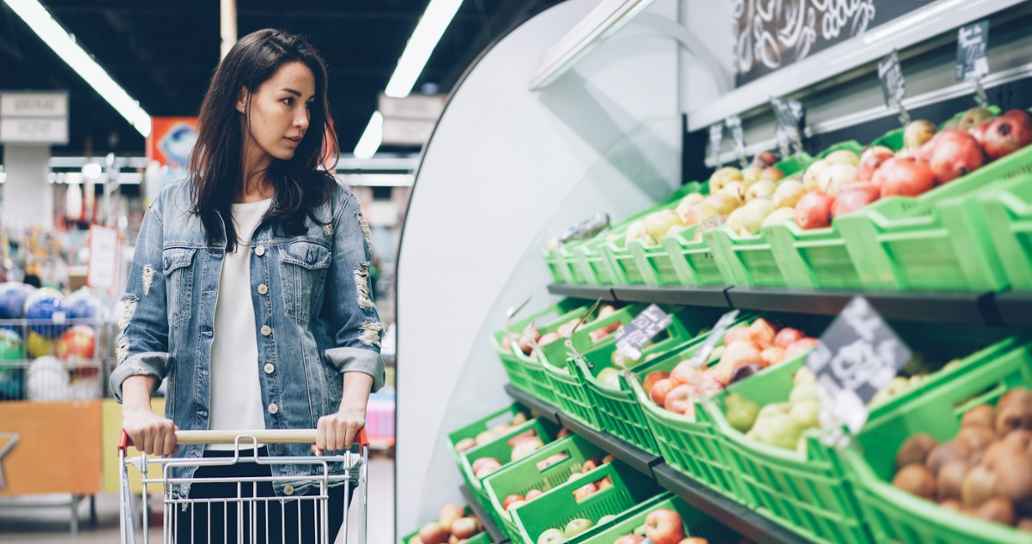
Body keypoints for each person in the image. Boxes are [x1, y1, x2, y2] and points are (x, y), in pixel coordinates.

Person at [109, 29, 385, 543]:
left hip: (303, 464)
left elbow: (359, 328)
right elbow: (140, 330)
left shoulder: (330, 208)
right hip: (198, 463)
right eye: (287, 101)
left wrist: (350, 410)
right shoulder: (173, 209)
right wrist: (138, 409)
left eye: (309, 104)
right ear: (242, 96)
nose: (303, 120)